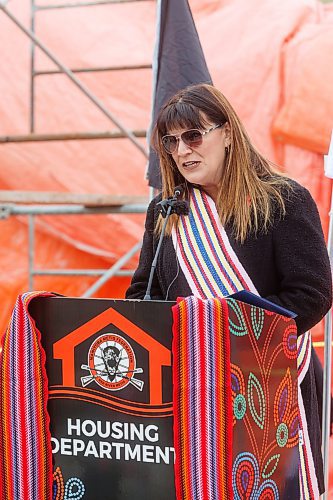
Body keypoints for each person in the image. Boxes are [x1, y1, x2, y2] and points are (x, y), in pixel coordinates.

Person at [126, 83, 332, 496]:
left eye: (194, 136)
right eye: (171, 142)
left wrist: (227, 334)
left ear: (228, 134)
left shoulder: (283, 200)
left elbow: (312, 293)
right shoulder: (166, 211)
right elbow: (141, 294)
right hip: (189, 384)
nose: (182, 151)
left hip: (270, 382)